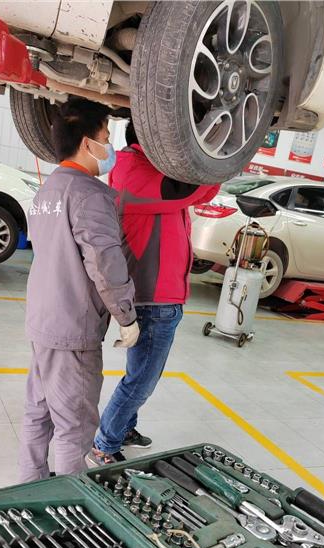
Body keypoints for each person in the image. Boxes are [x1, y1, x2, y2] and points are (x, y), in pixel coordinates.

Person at [86, 121, 220, 467]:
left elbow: (202, 193)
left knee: (141, 373)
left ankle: (124, 428)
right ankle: (104, 444)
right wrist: (218, 154)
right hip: (153, 296)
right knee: (141, 381)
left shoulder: (155, 171)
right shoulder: (133, 169)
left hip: (163, 295)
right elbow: (190, 189)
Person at [19, 99, 139, 482]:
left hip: (42, 321)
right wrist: (126, 316)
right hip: (73, 328)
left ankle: (30, 486)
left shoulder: (46, 191)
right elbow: (105, 264)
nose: (109, 146)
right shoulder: (91, 194)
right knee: (74, 426)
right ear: (88, 143)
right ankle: (73, 502)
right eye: (106, 136)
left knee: (38, 413)